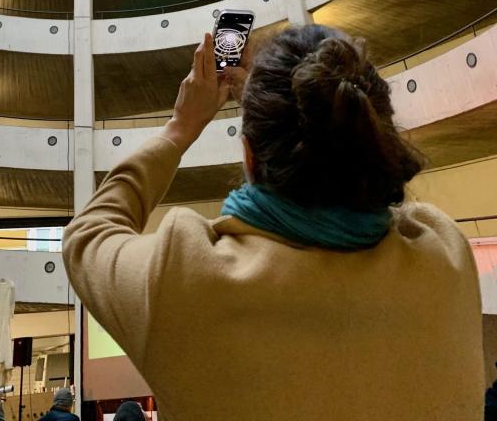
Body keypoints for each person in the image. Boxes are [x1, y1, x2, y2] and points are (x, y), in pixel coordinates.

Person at [63, 25, 485, 420]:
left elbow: (88, 233)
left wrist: (181, 127)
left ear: (249, 155)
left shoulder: (183, 281)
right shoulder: (445, 260)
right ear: (374, 138)